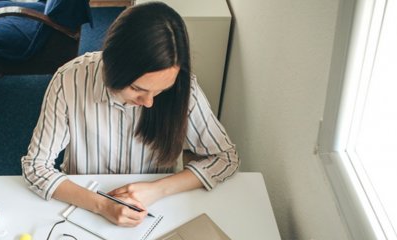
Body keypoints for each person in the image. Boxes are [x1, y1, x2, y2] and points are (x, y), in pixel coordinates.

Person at [21, 2, 239, 227]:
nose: (149, 102)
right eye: (137, 89)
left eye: (161, 91)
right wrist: (102, 205)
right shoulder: (68, 81)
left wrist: (158, 189)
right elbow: (35, 167)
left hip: (154, 209)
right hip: (83, 204)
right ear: (112, 66)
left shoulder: (184, 89)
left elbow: (225, 158)